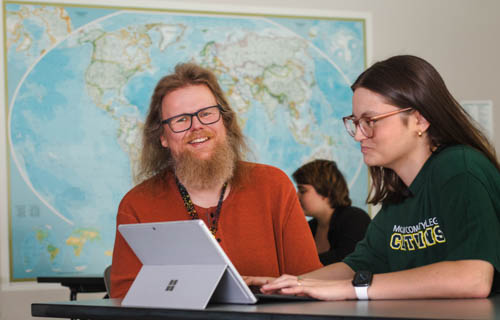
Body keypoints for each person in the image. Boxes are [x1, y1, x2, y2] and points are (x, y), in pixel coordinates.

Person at [245, 55, 500, 301]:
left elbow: (473, 278)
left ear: (419, 120)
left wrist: (354, 289)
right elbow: (357, 267)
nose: (358, 135)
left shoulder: (461, 168)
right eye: (355, 122)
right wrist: (286, 285)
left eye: (370, 121)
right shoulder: (400, 194)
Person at [109, 63, 322, 298]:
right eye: (180, 120)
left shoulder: (274, 185)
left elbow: (309, 281)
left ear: (224, 121)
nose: (197, 126)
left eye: (207, 113)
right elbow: (124, 298)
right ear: (162, 137)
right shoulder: (137, 205)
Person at [292, 159, 371, 265]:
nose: (296, 196)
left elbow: (348, 261)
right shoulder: (309, 228)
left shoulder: (355, 218)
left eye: (302, 191)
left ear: (326, 191)